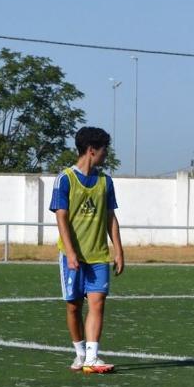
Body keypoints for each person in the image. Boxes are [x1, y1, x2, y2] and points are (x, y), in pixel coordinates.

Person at [50, 126, 124, 374]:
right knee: (73, 306)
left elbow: (110, 217)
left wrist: (119, 250)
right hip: (73, 256)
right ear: (92, 150)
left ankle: (92, 356)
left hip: (98, 255)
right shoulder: (65, 179)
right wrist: (70, 253)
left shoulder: (106, 181)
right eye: (105, 150)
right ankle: (80, 353)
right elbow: (61, 217)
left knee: (98, 303)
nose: (106, 155)